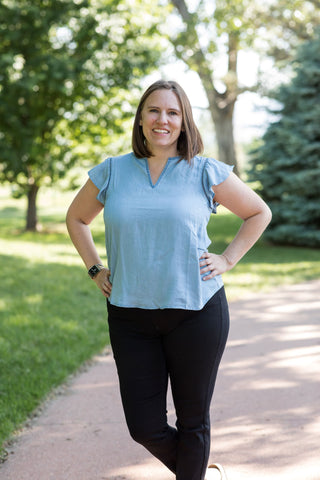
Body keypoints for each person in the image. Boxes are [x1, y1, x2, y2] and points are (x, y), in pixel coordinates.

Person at [66, 79, 272, 480]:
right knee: (144, 426)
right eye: (154, 111)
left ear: (184, 121)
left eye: (173, 112)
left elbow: (258, 212)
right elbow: (76, 218)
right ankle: (199, 472)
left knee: (194, 421)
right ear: (141, 119)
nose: (163, 120)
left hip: (197, 310)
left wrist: (228, 258)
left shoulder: (205, 170)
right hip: (129, 314)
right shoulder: (112, 171)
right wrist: (95, 268)